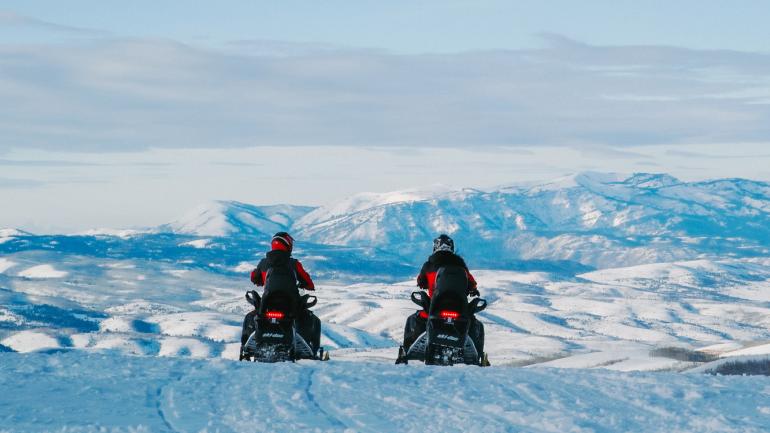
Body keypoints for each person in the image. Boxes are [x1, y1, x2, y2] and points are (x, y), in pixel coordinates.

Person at [240, 232, 320, 355]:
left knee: (251, 316)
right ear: (287, 244)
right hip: (291, 306)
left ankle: (246, 348)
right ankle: (312, 350)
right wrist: (308, 285)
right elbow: (307, 280)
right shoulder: (294, 264)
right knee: (312, 318)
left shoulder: (264, 263)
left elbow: (254, 277)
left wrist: (260, 279)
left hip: (267, 305)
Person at [402, 234, 484, 355]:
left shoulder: (429, 265)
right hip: (459, 308)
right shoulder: (461, 265)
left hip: (435, 307)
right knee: (474, 323)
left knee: (415, 319)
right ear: (452, 248)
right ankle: (478, 355)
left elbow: (420, 281)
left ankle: (407, 351)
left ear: (435, 247)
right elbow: (471, 283)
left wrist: (425, 284)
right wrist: (472, 289)